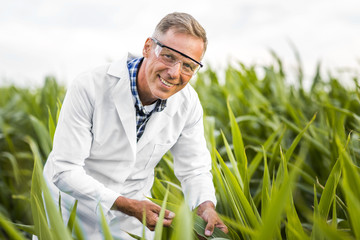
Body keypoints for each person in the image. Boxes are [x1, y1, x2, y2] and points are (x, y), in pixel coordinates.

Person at [42, 12, 228, 239]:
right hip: (72, 211)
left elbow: (195, 169)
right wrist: (126, 204)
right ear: (148, 47)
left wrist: (205, 206)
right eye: (169, 56)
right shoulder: (89, 86)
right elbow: (64, 170)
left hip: (132, 221)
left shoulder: (187, 104)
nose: (174, 73)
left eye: (189, 66)